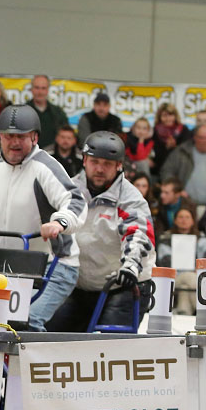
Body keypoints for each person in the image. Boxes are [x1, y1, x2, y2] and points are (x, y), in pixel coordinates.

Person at [0, 105, 87, 331]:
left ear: (34, 137)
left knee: (25, 323)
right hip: (6, 268)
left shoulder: (44, 167)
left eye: (21, 136)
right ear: (1, 138)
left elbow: (76, 201)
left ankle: (28, 367)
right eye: (8, 136)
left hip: (54, 265)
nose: (14, 142)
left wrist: (59, 222)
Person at [48, 132, 154, 331]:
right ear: (85, 160)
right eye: (95, 162)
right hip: (79, 286)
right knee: (50, 334)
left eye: (107, 164)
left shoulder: (131, 198)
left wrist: (130, 266)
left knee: (108, 347)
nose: (99, 169)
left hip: (123, 285)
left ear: (119, 165)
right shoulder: (69, 190)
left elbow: (138, 234)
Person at [28, 75, 68, 148]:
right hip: (28, 154)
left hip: (52, 156)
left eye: (43, 88)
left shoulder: (58, 113)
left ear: (48, 90)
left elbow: (65, 135)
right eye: (37, 88)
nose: (40, 92)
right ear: (31, 89)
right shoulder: (23, 112)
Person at [151, 103, 189, 178]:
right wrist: (166, 148)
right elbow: (155, 153)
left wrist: (175, 147)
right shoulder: (154, 131)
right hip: (161, 164)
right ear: (159, 117)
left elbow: (187, 149)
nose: (168, 118)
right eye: (165, 115)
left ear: (175, 116)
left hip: (180, 164)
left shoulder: (184, 129)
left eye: (170, 115)